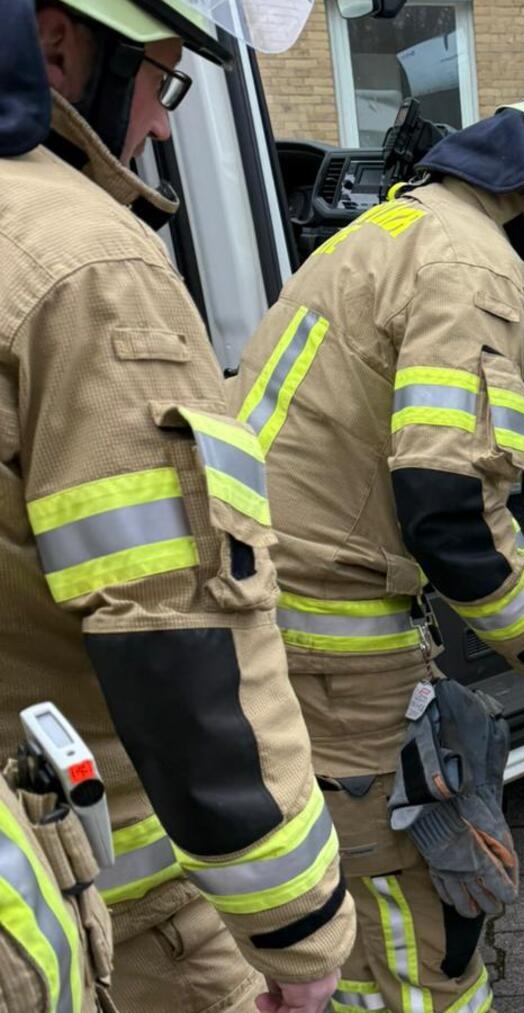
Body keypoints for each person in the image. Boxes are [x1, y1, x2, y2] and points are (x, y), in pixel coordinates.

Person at [227, 71, 524, 1011]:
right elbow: (450, 517)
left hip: (283, 602)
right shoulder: (480, 273)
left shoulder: (406, 224)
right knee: (421, 916)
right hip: (333, 639)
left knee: (352, 895)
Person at [0, 1, 357, 1011]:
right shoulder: (88, 265)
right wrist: (299, 932)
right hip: (113, 890)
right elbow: (181, 636)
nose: (159, 125)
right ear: (62, 40)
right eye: (162, 81)